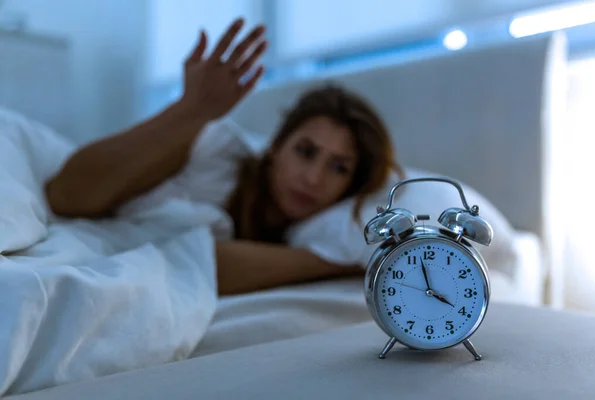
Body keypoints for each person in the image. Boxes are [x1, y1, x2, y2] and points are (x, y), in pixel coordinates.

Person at [44, 18, 404, 296]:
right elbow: (67, 195)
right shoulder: (214, 147)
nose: (313, 178)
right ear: (276, 146)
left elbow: (210, 262)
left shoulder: (317, 231)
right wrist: (191, 110)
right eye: (305, 151)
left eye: (338, 168)